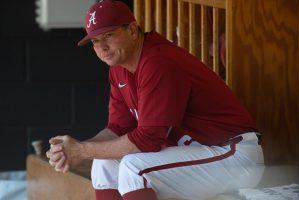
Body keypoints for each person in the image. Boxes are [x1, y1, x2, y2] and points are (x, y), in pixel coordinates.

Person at [46, 1, 265, 200]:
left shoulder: (158, 60)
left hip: (233, 156)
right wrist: (72, 149)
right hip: (197, 155)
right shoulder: (119, 70)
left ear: (132, 30)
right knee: (104, 163)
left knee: (135, 168)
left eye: (109, 36)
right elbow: (118, 128)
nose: (102, 47)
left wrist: (82, 150)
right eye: (95, 40)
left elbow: (147, 140)